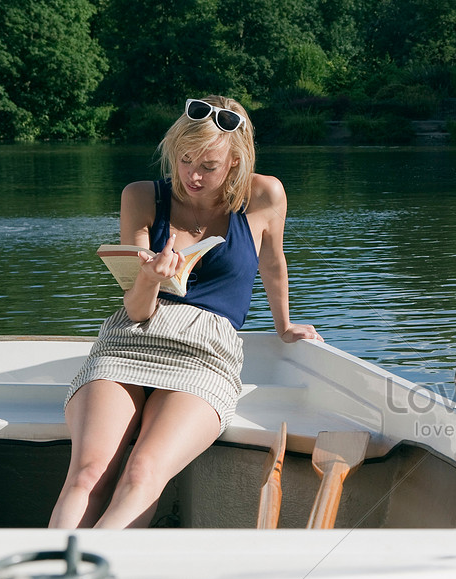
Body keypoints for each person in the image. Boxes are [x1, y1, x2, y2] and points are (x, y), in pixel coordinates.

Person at [49, 95, 319, 529]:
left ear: (234, 162)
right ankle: (53, 574)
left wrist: (284, 326)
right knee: (87, 474)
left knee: (142, 473)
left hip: (205, 353)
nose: (193, 174)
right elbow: (137, 310)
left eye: (208, 165)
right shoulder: (141, 196)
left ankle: (87, 576)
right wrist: (150, 278)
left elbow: (272, 263)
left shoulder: (265, 195)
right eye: (184, 159)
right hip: (129, 341)